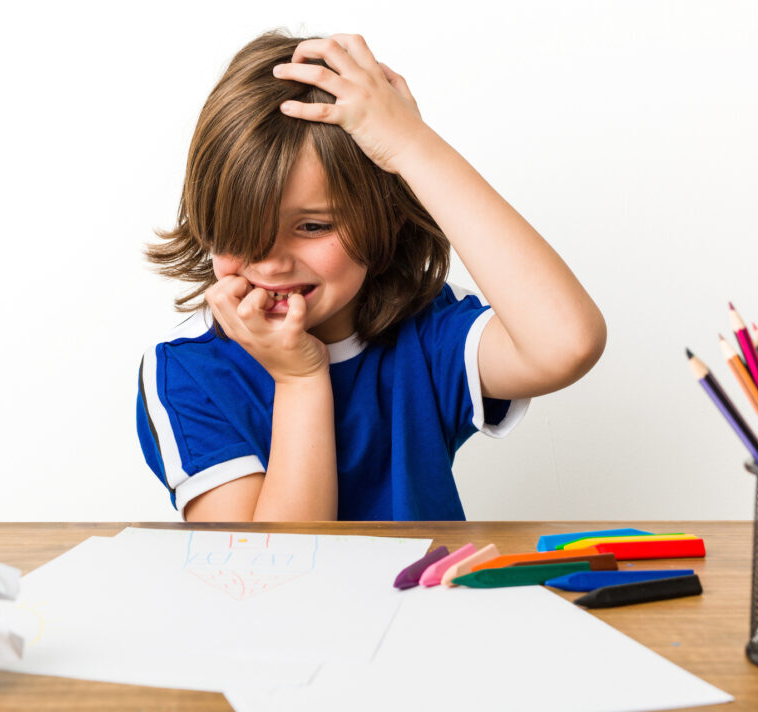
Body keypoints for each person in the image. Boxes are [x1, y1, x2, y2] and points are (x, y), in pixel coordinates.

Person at [137, 30, 606, 521]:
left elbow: (567, 343)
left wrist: (410, 147)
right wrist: (300, 381)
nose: (270, 262)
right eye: (239, 229)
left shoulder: (428, 330)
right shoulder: (186, 370)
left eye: (313, 226)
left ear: (388, 216)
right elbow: (268, 570)